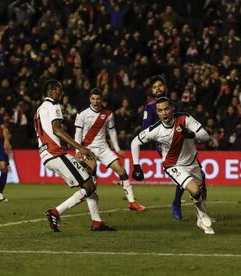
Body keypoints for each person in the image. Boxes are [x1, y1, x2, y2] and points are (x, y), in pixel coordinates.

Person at [35, 79, 116, 232]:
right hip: (55, 154)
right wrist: (80, 148)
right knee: (90, 185)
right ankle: (55, 212)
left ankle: (97, 222)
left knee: (90, 182)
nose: (62, 92)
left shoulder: (39, 109)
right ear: (51, 92)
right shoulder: (53, 105)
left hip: (47, 154)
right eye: (59, 90)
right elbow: (56, 130)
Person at [131, 97, 214, 234]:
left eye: (166, 109)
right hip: (173, 166)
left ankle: (200, 219)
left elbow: (205, 136)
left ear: (171, 108)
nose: (164, 113)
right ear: (157, 113)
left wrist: (191, 134)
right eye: (160, 110)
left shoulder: (185, 118)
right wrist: (136, 166)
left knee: (200, 193)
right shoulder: (155, 130)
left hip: (192, 163)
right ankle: (202, 213)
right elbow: (135, 142)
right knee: (195, 191)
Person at [74, 88, 146, 211]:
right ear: (89, 99)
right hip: (87, 149)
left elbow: (112, 131)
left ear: (102, 99)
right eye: (93, 99)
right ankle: (89, 204)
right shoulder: (82, 114)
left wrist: (117, 149)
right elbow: (78, 133)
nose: (95, 101)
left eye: (98, 99)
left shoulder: (108, 114)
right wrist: (77, 151)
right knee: (92, 173)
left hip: (103, 148)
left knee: (121, 170)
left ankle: (132, 202)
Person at [142, 75, 185, 220]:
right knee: (182, 178)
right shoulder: (150, 107)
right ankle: (176, 204)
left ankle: (200, 211)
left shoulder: (173, 104)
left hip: (181, 144)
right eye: (154, 87)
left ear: (165, 87)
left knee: (198, 177)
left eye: (160, 85)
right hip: (165, 147)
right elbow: (145, 129)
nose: (158, 89)